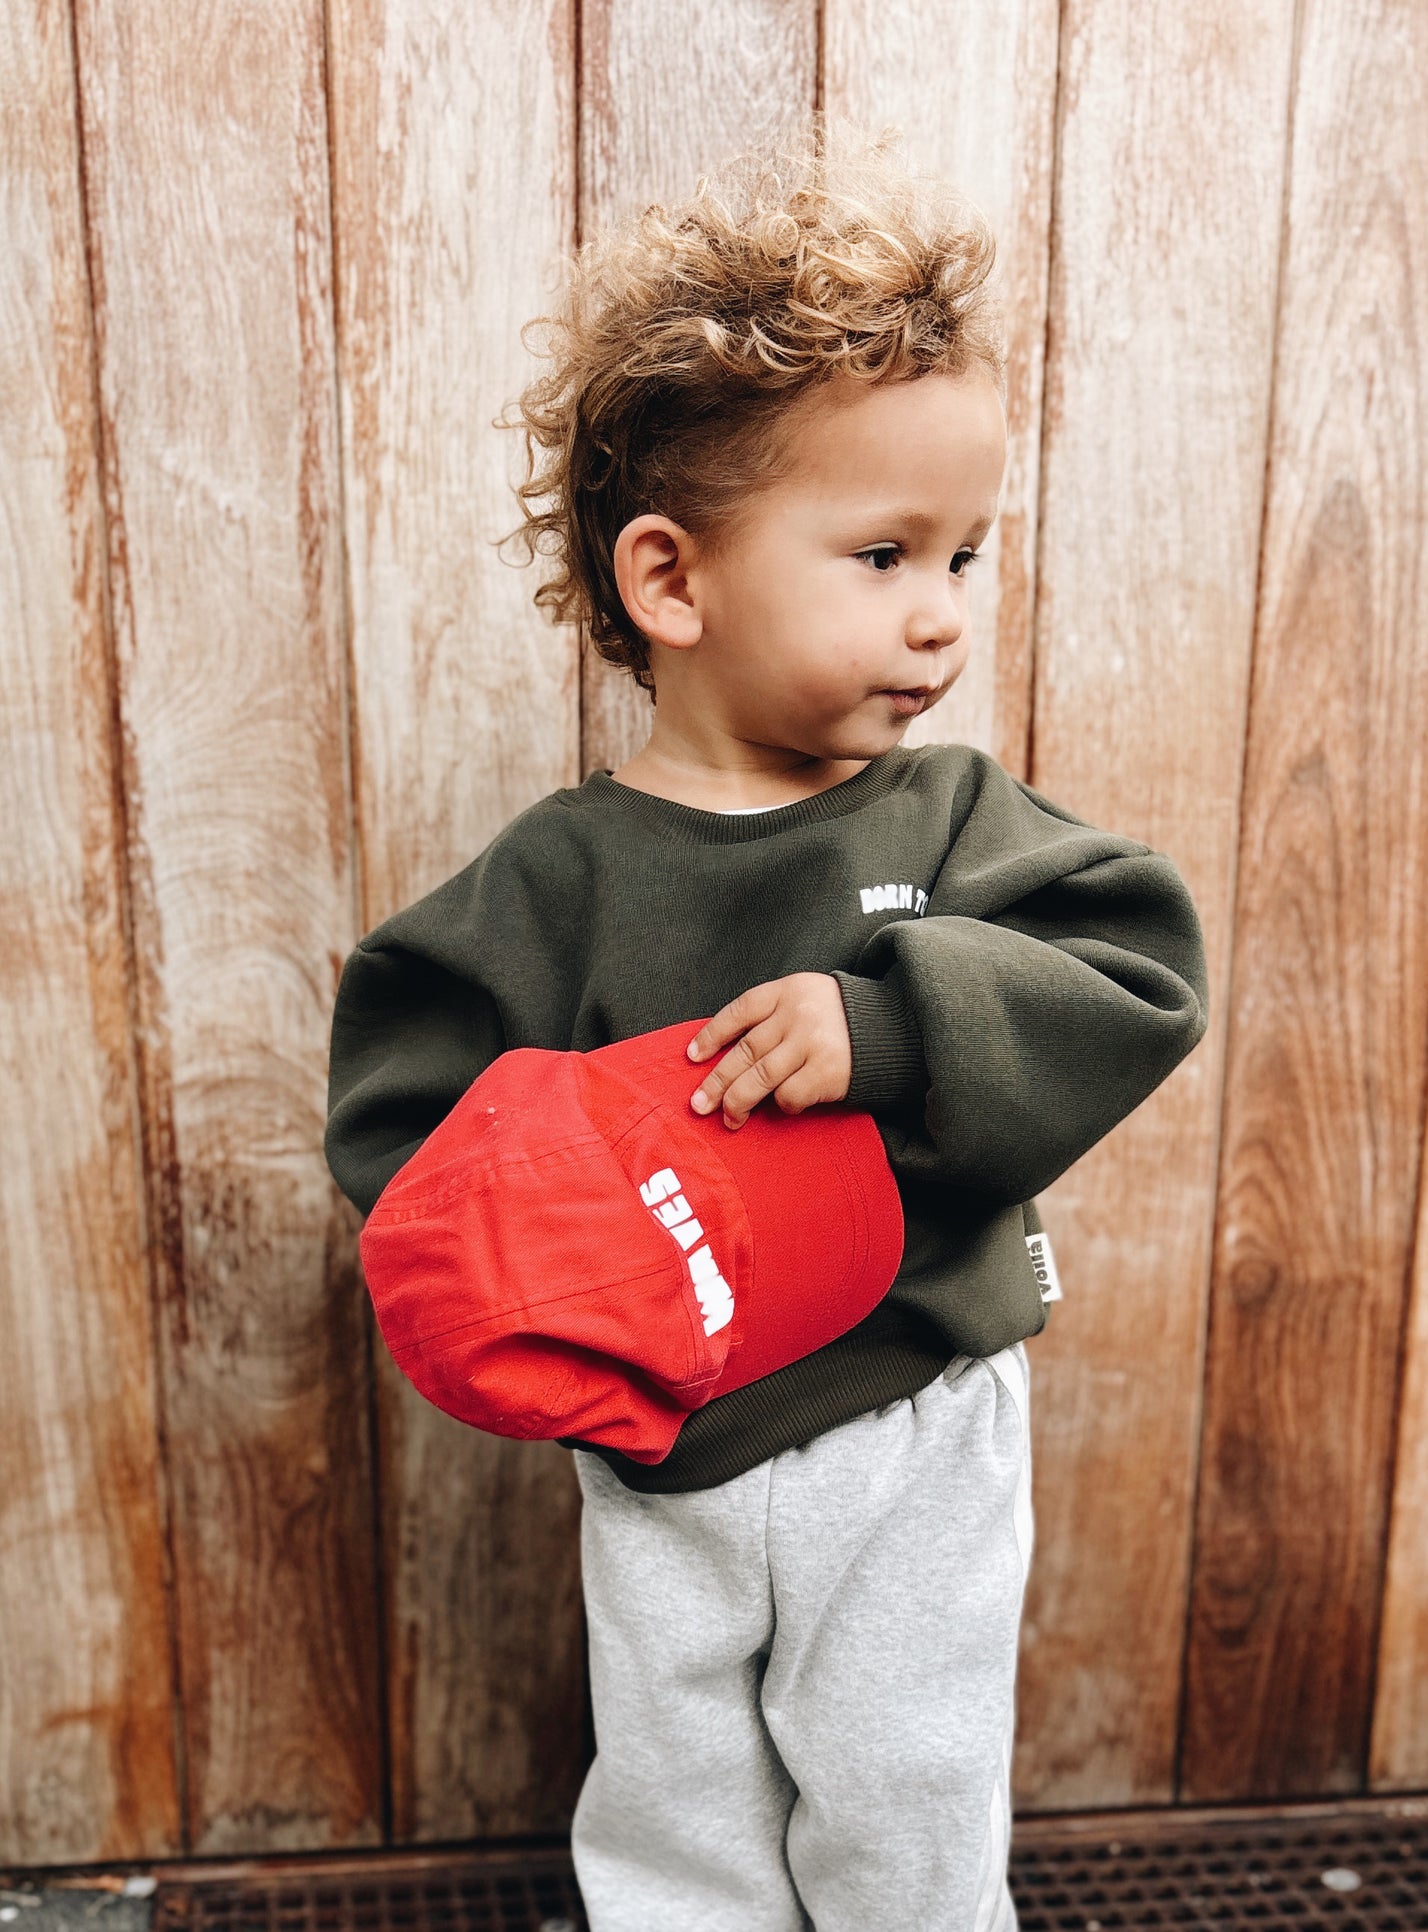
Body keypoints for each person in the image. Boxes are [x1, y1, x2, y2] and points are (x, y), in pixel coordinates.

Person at [323, 113, 1210, 1932]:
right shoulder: (558, 880)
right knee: (677, 1807)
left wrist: (884, 1029)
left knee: (900, 1798)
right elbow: (408, 1120)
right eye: (883, 553)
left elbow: (1135, 970)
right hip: (671, 1449)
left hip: (911, 1417)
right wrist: (555, 1258)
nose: (941, 617)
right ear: (671, 580)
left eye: (963, 558)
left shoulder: (951, 824)